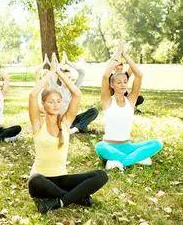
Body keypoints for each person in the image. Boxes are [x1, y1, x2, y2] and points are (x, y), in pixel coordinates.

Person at [28, 61, 108, 214]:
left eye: (58, 101)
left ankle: (60, 201)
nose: (56, 104)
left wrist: (60, 73)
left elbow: (77, 94)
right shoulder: (38, 124)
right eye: (51, 101)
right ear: (43, 104)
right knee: (34, 179)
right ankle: (77, 198)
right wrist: (50, 73)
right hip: (40, 182)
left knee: (101, 175)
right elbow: (32, 95)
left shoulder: (65, 123)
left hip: (62, 179)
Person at [95, 46, 162, 171]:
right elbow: (105, 76)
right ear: (112, 84)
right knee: (99, 147)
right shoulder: (107, 101)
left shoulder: (131, 100)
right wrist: (117, 55)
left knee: (157, 143)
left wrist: (125, 55)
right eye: (119, 82)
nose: (123, 84)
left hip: (127, 145)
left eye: (125, 82)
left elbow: (139, 75)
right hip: (109, 145)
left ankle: (120, 161)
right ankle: (136, 159)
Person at [49, 53, 98, 134]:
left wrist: (69, 63)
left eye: (69, 78)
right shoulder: (55, 88)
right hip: (62, 120)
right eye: (65, 77)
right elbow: (51, 73)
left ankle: (75, 128)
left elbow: (82, 72)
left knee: (94, 111)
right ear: (60, 78)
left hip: (73, 118)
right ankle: (80, 127)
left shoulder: (74, 88)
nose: (67, 80)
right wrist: (54, 62)